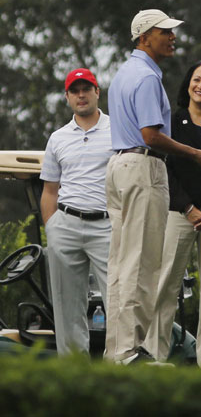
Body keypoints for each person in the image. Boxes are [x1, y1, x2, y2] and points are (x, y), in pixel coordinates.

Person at [105, 9, 201, 364]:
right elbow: (152, 135)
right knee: (142, 263)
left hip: (120, 165)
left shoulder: (124, 73)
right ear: (144, 36)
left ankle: (117, 351)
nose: (172, 36)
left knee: (121, 264)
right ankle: (129, 350)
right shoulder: (147, 77)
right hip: (142, 165)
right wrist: (195, 153)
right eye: (165, 31)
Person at [143, 60, 201, 366]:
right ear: (188, 84)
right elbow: (165, 168)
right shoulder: (173, 122)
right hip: (179, 215)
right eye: (197, 79)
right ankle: (156, 352)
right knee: (166, 282)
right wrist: (188, 208)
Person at [40, 68, 113, 356]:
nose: (81, 95)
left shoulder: (118, 128)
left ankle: (120, 368)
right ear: (68, 97)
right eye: (75, 90)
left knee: (118, 300)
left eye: (86, 88)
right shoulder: (57, 138)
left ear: (97, 92)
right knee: (67, 306)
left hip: (106, 225)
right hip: (66, 224)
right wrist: (53, 229)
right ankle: (75, 377)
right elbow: (49, 190)